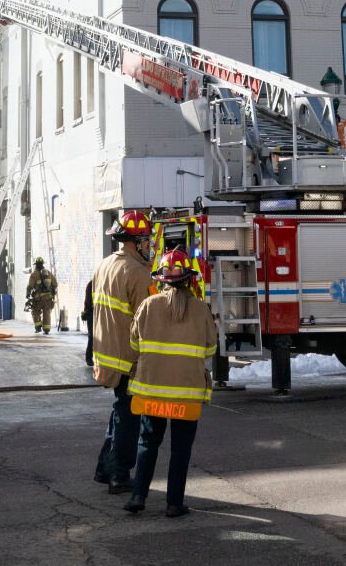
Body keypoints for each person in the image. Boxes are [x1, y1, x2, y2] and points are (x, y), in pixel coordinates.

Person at [124, 249, 217, 517]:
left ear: (162, 279)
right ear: (189, 279)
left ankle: (138, 496)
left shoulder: (148, 305)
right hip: (186, 396)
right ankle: (174, 503)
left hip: (151, 393)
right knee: (180, 450)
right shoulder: (201, 310)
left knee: (147, 443)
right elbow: (210, 350)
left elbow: (134, 345)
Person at [90, 211, 155, 495]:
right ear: (136, 241)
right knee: (129, 419)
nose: (149, 245)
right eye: (146, 240)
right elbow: (149, 320)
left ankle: (106, 468)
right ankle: (119, 474)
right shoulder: (138, 273)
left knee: (119, 413)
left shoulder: (104, 265)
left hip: (106, 354)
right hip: (129, 358)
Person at [25, 257, 59, 334]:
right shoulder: (49, 273)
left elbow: (30, 286)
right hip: (48, 298)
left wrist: (27, 294)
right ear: (42, 264)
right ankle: (46, 329)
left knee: (35, 311)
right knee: (47, 313)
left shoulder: (34, 274)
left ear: (36, 265)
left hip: (38, 298)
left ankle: (38, 327)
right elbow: (55, 284)